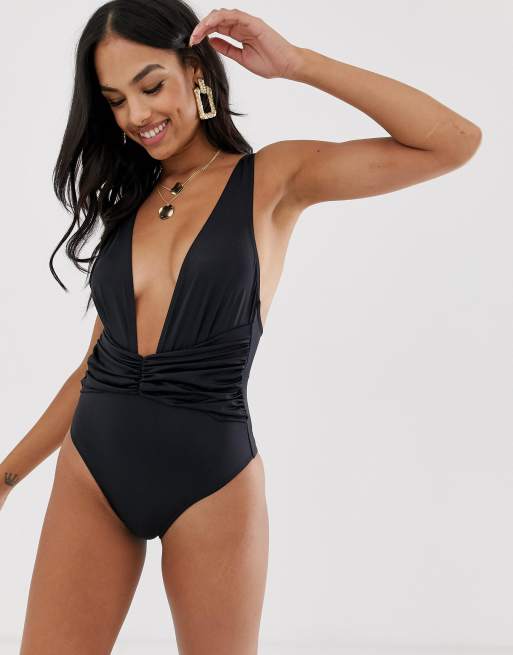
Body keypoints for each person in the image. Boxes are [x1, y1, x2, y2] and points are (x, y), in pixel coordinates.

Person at [1, 1, 481, 653]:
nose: (136, 115)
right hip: (91, 473)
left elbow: (453, 141)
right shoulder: (129, 205)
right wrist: (6, 477)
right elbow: (97, 366)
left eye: (150, 86)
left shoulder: (273, 178)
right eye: (115, 100)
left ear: (195, 70)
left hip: (210, 483)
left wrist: (297, 64)